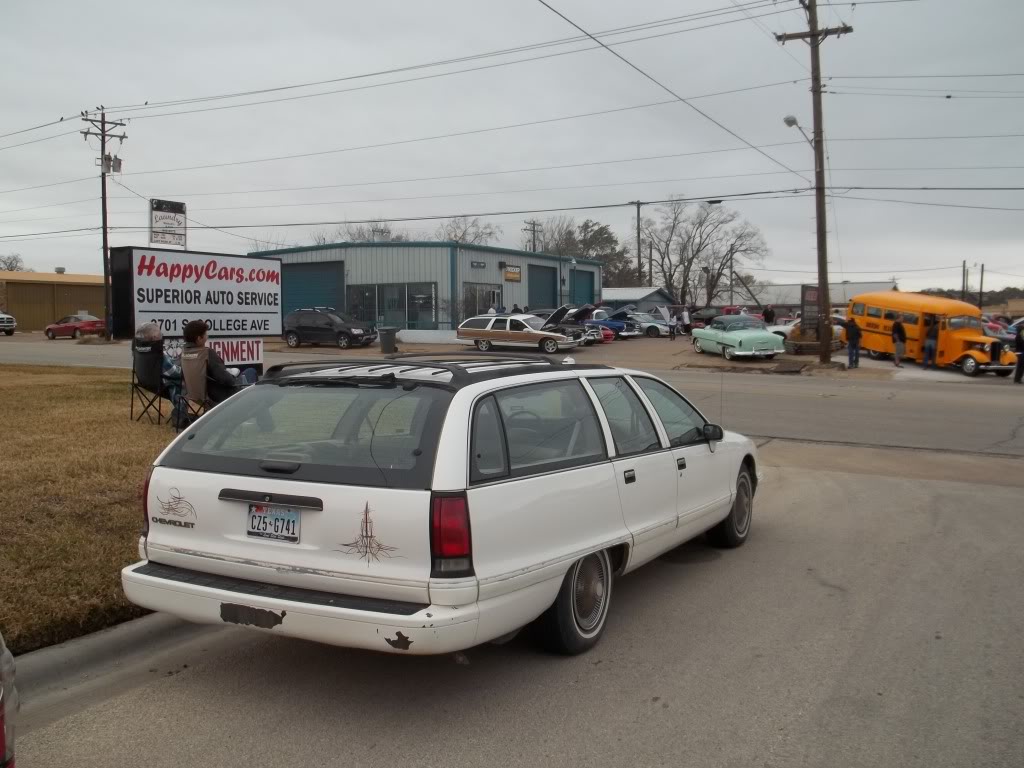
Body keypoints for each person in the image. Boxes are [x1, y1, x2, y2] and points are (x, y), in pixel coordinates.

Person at [181, 319, 257, 405]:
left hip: (195, 403)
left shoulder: (183, 354)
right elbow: (227, 380)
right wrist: (232, 376)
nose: (207, 337)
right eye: (205, 334)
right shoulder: (207, 353)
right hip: (220, 400)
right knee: (251, 372)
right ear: (199, 338)